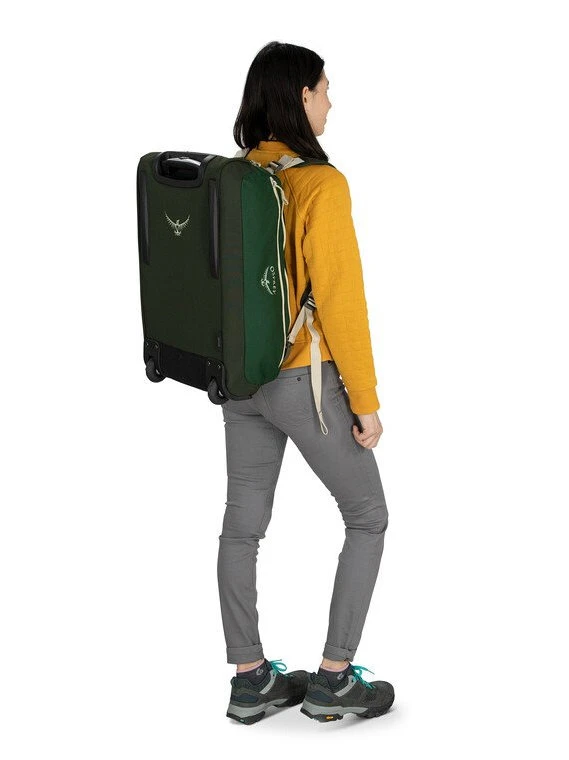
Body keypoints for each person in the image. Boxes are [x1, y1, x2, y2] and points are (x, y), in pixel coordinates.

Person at [218, 41, 394, 724]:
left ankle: (250, 681)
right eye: (324, 89)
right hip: (303, 383)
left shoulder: (235, 176)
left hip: (239, 381)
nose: (330, 101)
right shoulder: (320, 184)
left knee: (241, 529)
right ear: (300, 96)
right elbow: (342, 304)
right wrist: (366, 403)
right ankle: (334, 680)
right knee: (368, 517)